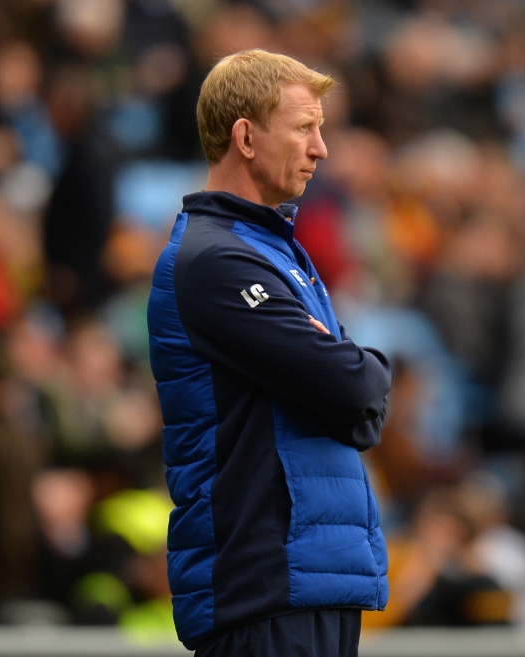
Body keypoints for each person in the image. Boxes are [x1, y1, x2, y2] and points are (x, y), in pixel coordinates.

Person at [147, 50, 392, 656]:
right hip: (264, 584)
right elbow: (352, 387)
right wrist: (363, 370)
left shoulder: (276, 252)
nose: (322, 148)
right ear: (246, 137)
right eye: (305, 127)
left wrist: (353, 374)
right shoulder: (216, 260)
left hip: (313, 577)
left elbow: (360, 408)